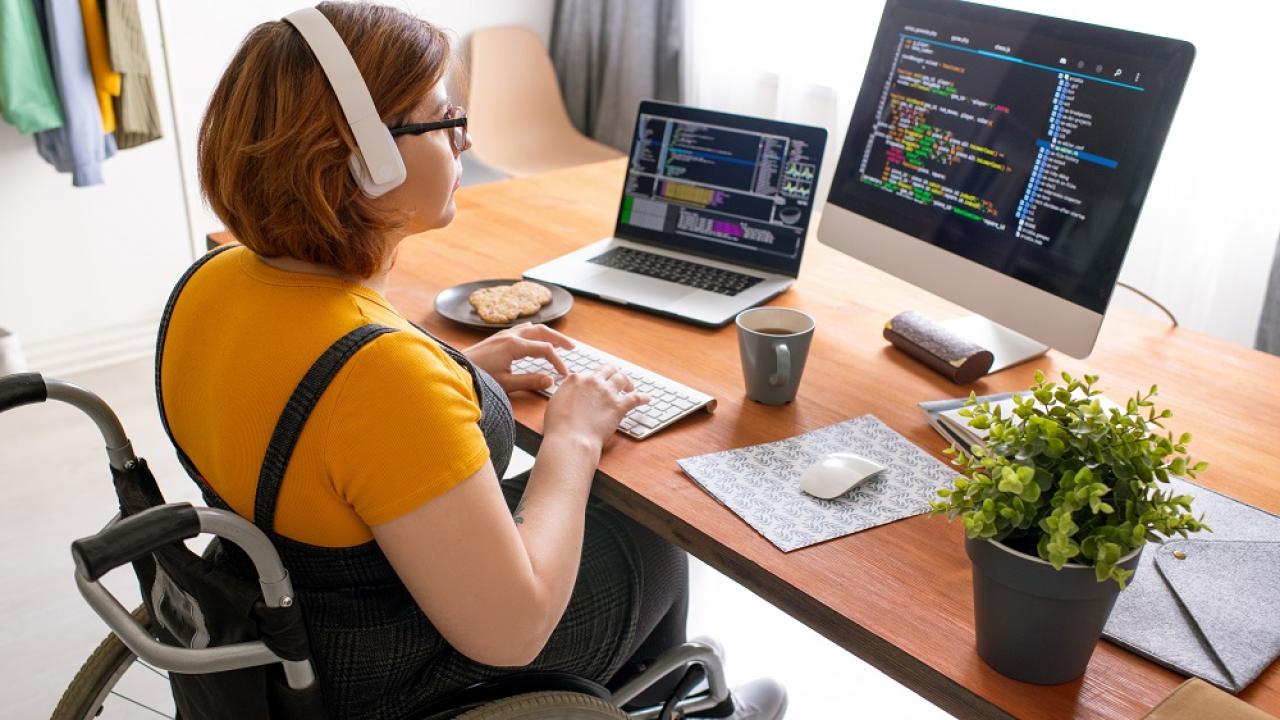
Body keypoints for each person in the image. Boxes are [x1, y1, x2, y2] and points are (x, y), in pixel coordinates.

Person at [157, 3, 787, 718]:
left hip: (286, 612)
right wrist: (573, 437)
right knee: (648, 531)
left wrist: (460, 374)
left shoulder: (212, 280)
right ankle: (675, 702)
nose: (465, 138)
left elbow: (317, 424)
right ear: (363, 159)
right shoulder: (381, 376)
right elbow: (512, 633)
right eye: (440, 119)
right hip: (383, 673)